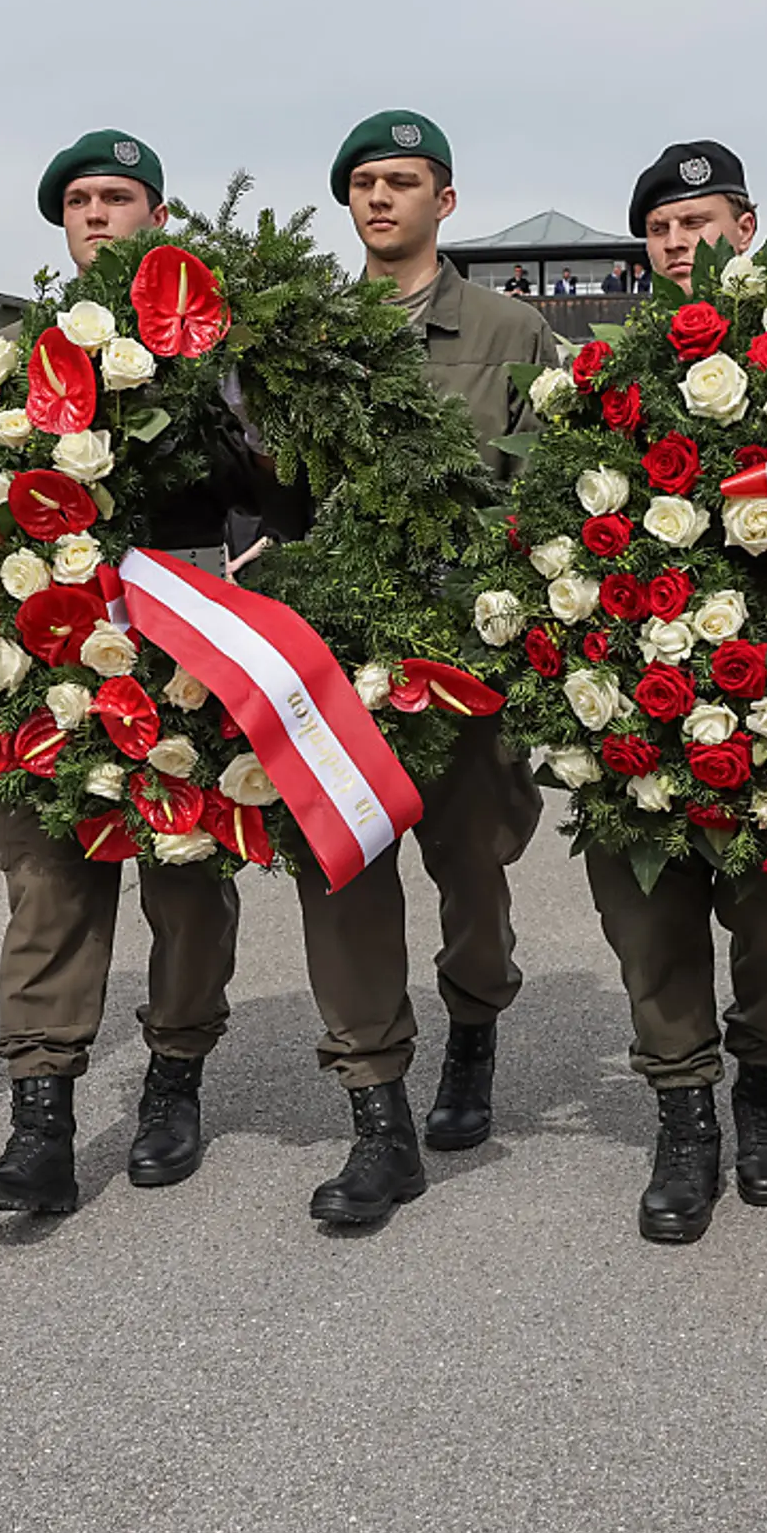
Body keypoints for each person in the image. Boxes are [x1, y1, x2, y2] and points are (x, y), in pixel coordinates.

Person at [0, 129, 247, 1217]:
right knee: (47, 882)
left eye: (116, 196)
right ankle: (41, 1125)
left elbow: (266, 488)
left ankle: (174, 1078)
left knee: (184, 879)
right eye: (78, 199)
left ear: (157, 218)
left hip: (181, 659)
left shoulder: (218, 353)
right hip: (49, 663)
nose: (93, 214)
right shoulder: (11, 356)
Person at [289, 109, 558, 1230]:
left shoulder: (509, 329)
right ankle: (377, 1118)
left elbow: (547, 487)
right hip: (332, 656)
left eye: (402, 180)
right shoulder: (302, 334)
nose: (380, 198)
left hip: (463, 653)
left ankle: (474, 1032)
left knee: (473, 870)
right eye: (362, 182)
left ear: (445, 200)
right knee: (339, 868)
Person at [588, 138, 767, 1245]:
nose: (684, 242)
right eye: (665, 230)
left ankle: (764, 1082)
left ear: (747, 227)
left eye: (704, 221)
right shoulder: (598, 371)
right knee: (650, 922)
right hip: (626, 702)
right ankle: (685, 1118)